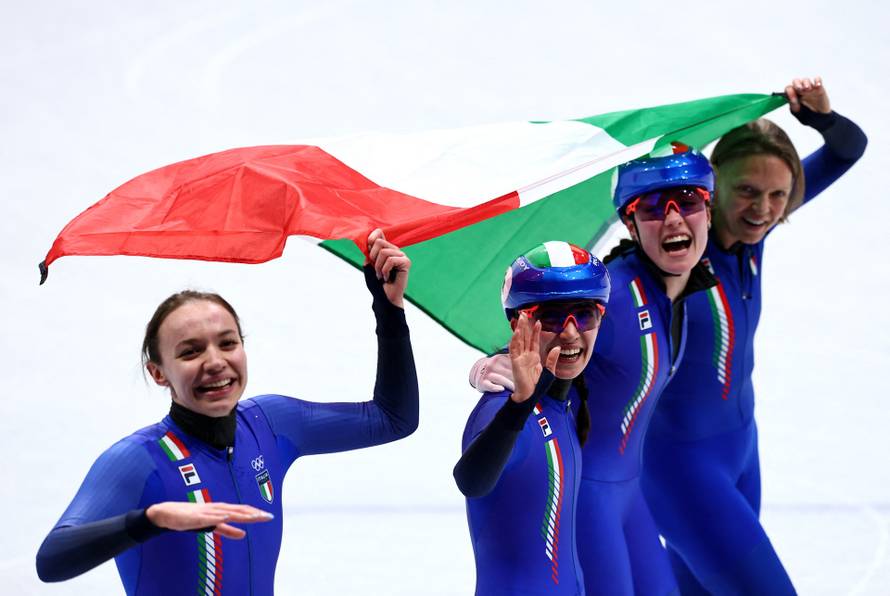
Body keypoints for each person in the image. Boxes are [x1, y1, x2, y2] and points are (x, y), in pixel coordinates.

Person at [35, 229, 419, 595]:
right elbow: (51, 561)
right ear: (158, 373)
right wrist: (150, 520)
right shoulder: (139, 460)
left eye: (227, 343)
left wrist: (388, 308)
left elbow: (393, 419)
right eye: (190, 351)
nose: (215, 362)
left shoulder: (270, 425)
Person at [640, 77, 867, 594]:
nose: (763, 209)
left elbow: (849, 148)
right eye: (746, 191)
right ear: (712, 184)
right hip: (680, 472)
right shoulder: (671, 260)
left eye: (777, 195)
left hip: (741, 453)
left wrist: (820, 120)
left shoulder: (751, 236)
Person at [469, 147, 718, 595]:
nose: (676, 219)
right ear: (629, 220)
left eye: (690, 201)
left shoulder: (676, 286)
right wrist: (490, 364)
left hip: (628, 494)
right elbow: (542, 331)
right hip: (591, 502)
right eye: (656, 208)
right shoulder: (620, 292)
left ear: (709, 210)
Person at [454, 241, 611, 595]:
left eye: (584, 313)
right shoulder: (502, 408)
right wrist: (519, 406)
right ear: (517, 323)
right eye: (552, 316)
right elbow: (471, 480)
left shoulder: (562, 399)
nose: (570, 332)